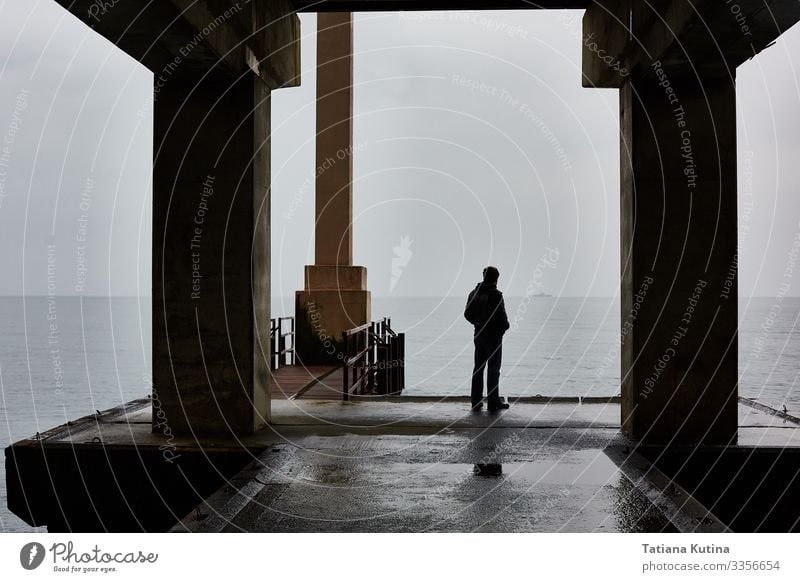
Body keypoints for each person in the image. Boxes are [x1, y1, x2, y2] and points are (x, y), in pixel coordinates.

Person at [464, 266, 510, 412]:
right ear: (496, 278)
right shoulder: (496, 295)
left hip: (479, 335)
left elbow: (467, 314)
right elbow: (502, 317)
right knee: (494, 369)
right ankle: (493, 401)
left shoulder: (474, 293)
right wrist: (504, 328)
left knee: (478, 368)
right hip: (493, 336)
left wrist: (477, 324)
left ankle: (476, 401)